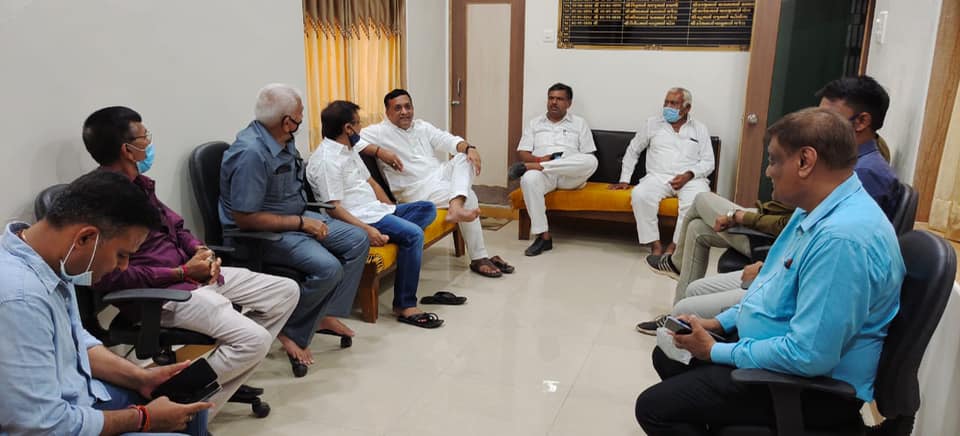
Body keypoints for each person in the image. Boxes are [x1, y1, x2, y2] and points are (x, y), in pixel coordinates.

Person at [634, 108, 904, 434]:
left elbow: (809, 355)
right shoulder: (815, 209)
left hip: (808, 388)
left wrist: (716, 350)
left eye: (774, 160)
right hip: (781, 351)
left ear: (805, 161)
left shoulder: (841, 240)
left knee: (653, 409)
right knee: (669, 354)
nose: (768, 171)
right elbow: (769, 286)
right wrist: (719, 323)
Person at [81, 106, 299, 416]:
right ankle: (182, 410)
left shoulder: (139, 185)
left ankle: (208, 381)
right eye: (144, 138)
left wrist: (202, 253)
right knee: (253, 342)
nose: (149, 143)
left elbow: (178, 228)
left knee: (285, 291)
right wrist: (181, 272)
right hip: (161, 295)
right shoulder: (100, 200)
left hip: (193, 275)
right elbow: (110, 277)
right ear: (127, 150)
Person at [0, 171, 212, 435]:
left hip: (78, 395)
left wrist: (141, 378)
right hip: (53, 423)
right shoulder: (20, 299)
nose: (123, 267)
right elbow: (42, 425)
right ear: (85, 238)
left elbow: (76, 341)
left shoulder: (52, 261)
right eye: (121, 255)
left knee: (186, 406)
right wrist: (144, 419)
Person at [219, 84, 370, 377]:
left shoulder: (283, 139)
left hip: (297, 216)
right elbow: (246, 218)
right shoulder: (251, 153)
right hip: (263, 234)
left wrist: (304, 219)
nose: (303, 119)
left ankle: (322, 314)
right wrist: (301, 224)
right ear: (287, 121)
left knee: (357, 238)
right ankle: (292, 330)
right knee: (328, 268)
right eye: (300, 114)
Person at [306, 100, 444, 329]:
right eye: (358, 123)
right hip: (360, 218)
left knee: (427, 208)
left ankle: (391, 232)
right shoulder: (326, 160)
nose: (361, 128)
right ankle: (405, 305)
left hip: (377, 211)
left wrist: (391, 208)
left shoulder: (349, 149)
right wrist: (367, 229)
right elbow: (333, 209)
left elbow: (370, 182)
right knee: (413, 235)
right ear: (348, 128)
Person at [356, 88, 514, 277]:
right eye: (398, 108)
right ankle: (479, 257)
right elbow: (350, 139)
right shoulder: (378, 132)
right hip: (415, 189)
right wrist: (379, 151)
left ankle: (455, 207)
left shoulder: (421, 126)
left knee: (464, 158)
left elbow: (448, 140)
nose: (404, 112)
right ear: (387, 112)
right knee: (469, 196)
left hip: (438, 175)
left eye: (408, 106)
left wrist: (469, 148)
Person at [610, 87, 714, 256]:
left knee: (696, 201)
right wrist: (624, 179)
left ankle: (675, 246)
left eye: (673, 103)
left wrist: (688, 175)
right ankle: (655, 244)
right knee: (640, 195)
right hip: (658, 177)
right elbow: (633, 150)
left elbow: (708, 162)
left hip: (691, 179)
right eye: (666, 102)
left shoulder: (699, 128)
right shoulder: (652, 124)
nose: (667, 107)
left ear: (687, 108)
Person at [508, 83, 598, 256]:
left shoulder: (579, 123)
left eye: (559, 99)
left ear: (569, 103)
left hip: (569, 176)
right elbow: (523, 152)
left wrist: (539, 165)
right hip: (545, 174)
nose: (554, 102)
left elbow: (588, 154)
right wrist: (539, 160)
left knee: (591, 161)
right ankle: (543, 237)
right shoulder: (534, 124)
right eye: (551, 98)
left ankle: (536, 167)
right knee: (528, 179)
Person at [816, 75, 900, 219]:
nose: (818, 126)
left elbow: (843, 227)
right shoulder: (845, 164)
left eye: (829, 119)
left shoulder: (865, 173)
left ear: (861, 121)